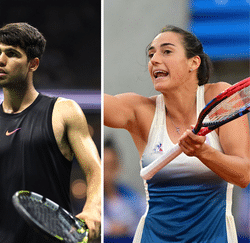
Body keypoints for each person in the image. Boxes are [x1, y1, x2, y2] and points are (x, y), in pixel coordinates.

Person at [103, 25, 250, 242]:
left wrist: (203, 152)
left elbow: (243, 175)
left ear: (194, 62)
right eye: (151, 54)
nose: (154, 59)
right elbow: (84, 106)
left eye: (167, 51)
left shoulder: (219, 98)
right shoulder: (140, 111)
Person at [0, 22, 101, 242]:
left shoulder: (63, 112)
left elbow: (95, 171)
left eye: (12, 54)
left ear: (33, 64)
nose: (0, 60)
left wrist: (93, 209)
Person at [103, 137, 145, 241]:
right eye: (104, 166)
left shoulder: (130, 195)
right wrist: (109, 228)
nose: (107, 173)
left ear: (117, 166)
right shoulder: (92, 197)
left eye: (111, 166)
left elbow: (146, 213)